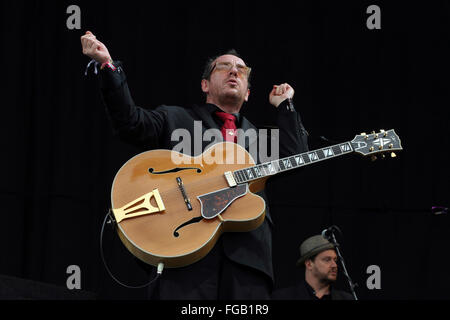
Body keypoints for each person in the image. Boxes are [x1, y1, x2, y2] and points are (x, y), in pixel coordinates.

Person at [81, 30, 309, 299]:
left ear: (248, 93)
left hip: (248, 263)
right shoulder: (175, 118)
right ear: (204, 84)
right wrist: (107, 66)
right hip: (183, 257)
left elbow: (296, 156)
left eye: (241, 70)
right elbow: (130, 123)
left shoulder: (259, 139)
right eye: (223, 67)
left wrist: (286, 106)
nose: (233, 71)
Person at [272, 234, 354, 300]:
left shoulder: (347, 298)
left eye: (335, 260)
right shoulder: (282, 297)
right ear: (309, 264)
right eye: (327, 260)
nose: (334, 265)